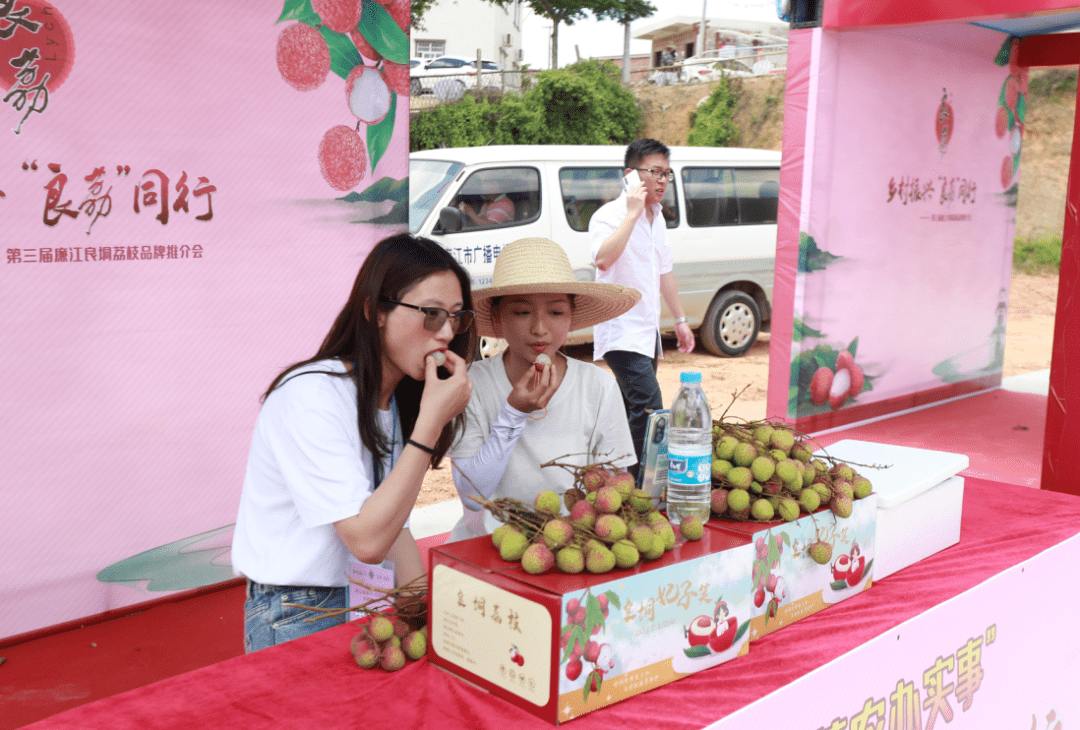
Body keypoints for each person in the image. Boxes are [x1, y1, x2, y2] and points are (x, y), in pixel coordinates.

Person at [232, 233, 475, 652]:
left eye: (456, 317)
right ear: (375, 311)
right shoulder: (310, 397)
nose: (447, 332)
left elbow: (392, 525)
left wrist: (424, 612)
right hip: (297, 608)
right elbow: (367, 541)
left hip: (367, 602)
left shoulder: (394, 401)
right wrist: (431, 423)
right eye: (431, 314)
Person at [447, 237, 640, 541]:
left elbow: (614, 492)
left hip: (570, 546)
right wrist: (512, 414)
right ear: (497, 317)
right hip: (484, 546)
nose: (539, 328)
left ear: (572, 315)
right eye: (521, 312)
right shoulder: (471, 384)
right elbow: (473, 494)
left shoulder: (598, 386)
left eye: (556, 312)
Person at [589, 138, 695, 482]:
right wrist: (633, 213)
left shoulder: (658, 217)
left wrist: (680, 320)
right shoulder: (608, 216)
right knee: (650, 408)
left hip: (646, 332)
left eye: (667, 174)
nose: (663, 181)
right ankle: (637, 485)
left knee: (626, 409)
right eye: (655, 172)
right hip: (619, 330)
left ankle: (610, 476)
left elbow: (665, 271)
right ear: (631, 176)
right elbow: (603, 258)